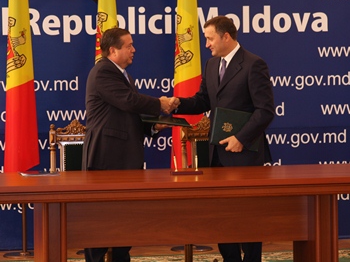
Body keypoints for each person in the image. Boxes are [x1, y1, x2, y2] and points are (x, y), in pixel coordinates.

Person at [170, 16, 275, 262]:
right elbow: (204, 101)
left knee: (247, 219)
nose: (206, 44)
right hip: (216, 156)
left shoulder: (253, 64)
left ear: (226, 36)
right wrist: (177, 104)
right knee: (222, 217)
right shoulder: (210, 64)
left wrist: (241, 137)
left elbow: (265, 111)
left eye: (209, 38)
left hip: (245, 156)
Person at [82, 27, 175, 262]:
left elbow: (127, 114)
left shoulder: (122, 74)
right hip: (106, 159)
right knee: (103, 222)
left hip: (123, 160)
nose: (134, 49)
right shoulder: (103, 71)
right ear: (113, 50)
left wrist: (153, 127)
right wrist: (160, 104)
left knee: (124, 220)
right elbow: (128, 101)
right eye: (129, 45)